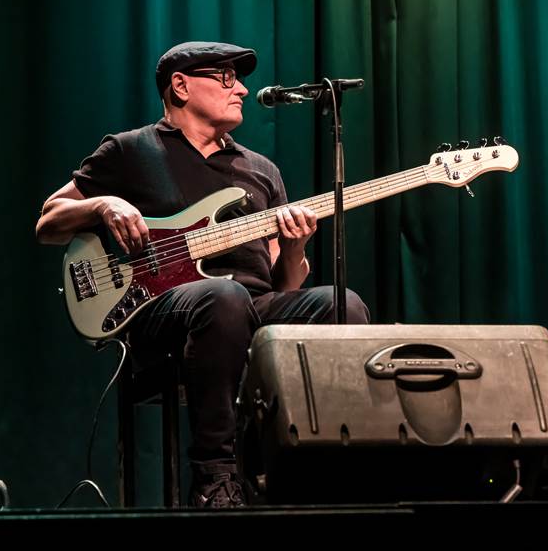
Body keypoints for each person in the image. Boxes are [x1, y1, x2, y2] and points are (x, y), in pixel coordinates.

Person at [36, 41, 370, 508]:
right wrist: (103, 204)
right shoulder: (130, 150)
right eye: (227, 77)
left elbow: (284, 286)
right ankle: (215, 477)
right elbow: (48, 222)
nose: (243, 89)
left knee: (342, 305)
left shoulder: (261, 170)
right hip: (164, 311)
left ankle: (330, 468)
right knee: (222, 298)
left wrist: (295, 245)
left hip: (251, 307)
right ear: (181, 85)